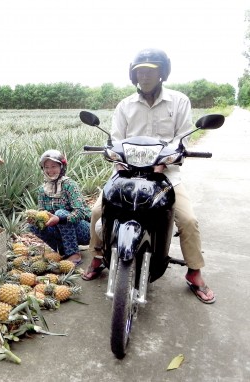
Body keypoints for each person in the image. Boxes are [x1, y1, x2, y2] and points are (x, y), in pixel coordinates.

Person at [81, 48, 216, 304]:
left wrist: (166, 162)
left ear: (162, 73)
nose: (144, 76)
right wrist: (116, 158)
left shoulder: (178, 102)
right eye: (140, 71)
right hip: (126, 174)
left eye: (151, 71)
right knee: (98, 212)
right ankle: (98, 256)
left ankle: (195, 271)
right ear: (133, 75)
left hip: (165, 176)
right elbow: (116, 138)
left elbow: (181, 138)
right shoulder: (125, 105)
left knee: (188, 220)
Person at [28, 149, 91, 264]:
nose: (50, 170)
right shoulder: (43, 190)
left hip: (84, 231)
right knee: (33, 225)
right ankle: (62, 251)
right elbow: (43, 212)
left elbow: (80, 212)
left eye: (53, 166)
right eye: (46, 167)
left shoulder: (69, 185)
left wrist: (60, 219)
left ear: (61, 167)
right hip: (60, 230)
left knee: (60, 213)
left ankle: (74, 254)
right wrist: (36, 218)